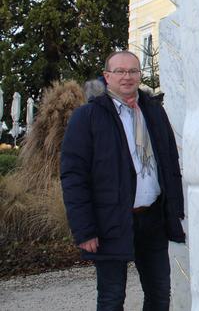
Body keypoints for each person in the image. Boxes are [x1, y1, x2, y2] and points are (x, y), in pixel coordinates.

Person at [60, 50, 185, 310]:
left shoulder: (154, 112)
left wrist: (175, 212)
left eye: (133, 71)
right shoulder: (88, 117)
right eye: (120, 71)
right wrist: (85, 230)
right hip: (110, 221)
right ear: (107, 76)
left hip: (153, 219)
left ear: (140, 75)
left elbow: (171, 164)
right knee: (112, 297)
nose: (127, 77)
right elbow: (74, 177)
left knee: (160, 295)